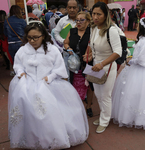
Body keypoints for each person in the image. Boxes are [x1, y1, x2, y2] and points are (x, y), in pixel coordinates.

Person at [8, 20, 89, 149]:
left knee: (49, 109)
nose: (32, 41)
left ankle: (52, 136)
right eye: (29, 38)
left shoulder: (52, 50)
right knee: (25, 103)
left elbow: (59, 68)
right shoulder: (22, 50)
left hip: (49, 82)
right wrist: (20, 72)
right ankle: (32, 136)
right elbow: (18, 65)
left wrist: (50, 77)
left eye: (36, 37)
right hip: (27, 82)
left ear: (43, 36)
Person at [85, 2, 122, 133]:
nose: (95, 17)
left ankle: (105, 121)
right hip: (96, 66)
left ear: (105, 15)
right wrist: (89, 55)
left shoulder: (111, 30)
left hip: (107, 67)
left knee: (105, 96)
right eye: (93, 14)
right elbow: (92, 46)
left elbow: (118, 52)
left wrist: (101, 64)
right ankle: (103, 116)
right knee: (99, 95)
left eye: (98, 14)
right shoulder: (94, 28)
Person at [64, 11, 94, 117]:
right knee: (76, 85)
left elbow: (97, 46)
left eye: (82, 20)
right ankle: (78, 106)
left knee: (90, 85)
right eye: (77, 20)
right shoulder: (72, 31)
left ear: (88, 21)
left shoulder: (92, 32)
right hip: (75, 64)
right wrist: (68, 48)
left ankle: (89, 106)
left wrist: (92, 53)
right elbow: (65, 42)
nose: (79, 22)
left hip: (90, 63)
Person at [4, 5, 26, 76]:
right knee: (24, 62)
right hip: (21, 43)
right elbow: (26, 31)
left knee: (15, 62)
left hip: (11, 44)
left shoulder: (6, 21)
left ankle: (18, 76)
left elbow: (5, 33)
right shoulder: (22, 20)